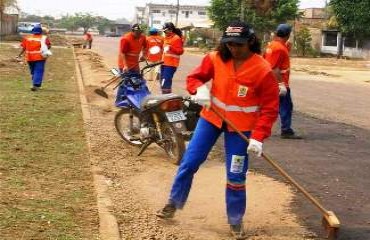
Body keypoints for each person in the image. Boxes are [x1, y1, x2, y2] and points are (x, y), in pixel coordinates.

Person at [156, 21, 279, 239]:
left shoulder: (262, 70)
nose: (233, 48)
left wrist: (258, 137)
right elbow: (194, 78)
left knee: (235, 175)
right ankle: (173, 204)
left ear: (250, 41)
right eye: (229, 43)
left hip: (241, 130)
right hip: (211, 120)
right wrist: (199, 89)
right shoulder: (214, 58)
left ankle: (235, 221)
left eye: (238, 44)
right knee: (189, 162)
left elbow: (270, 109)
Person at [264, 23, 302, 139]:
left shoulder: (273, 45)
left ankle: (256, 127)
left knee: (271, 106)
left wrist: (287, 48)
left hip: (272, 82)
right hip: (279, 83)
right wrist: (281, 84)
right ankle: (286, 130)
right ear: (288, 35)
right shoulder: (279, 48)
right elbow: (274, 67)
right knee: (285, 106)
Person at [116, 24, 146, 106]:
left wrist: (144, 55)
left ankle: (134, 101)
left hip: (135, 64)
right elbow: (123, 53)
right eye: (137, 33)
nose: (139, 35)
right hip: (124, 63)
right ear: (132, 31)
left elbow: (145, 46)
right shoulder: (126, 39)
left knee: (137, 82)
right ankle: (119, 102)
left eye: (140, 32)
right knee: (125, 83)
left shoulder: (142, 37)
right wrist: (125, 66)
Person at [18, 24, 51, 91]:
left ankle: (36, 84)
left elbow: (23, 47)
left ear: (32, 31)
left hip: (29, 57)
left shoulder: (27, 38)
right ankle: (36, 84)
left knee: (33, 71)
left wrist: (19, 54)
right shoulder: (44, 38)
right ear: (41, 31)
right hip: (40, 57)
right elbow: (49, 46)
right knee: (38, 70)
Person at [160, 22, 184, 94]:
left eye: (165, 31)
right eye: (164, 31)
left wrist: (171, 47)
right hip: (164, 63)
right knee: (162, 81)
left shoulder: (176, 38)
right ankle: (166, 97)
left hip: (171, 64)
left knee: (165, 81)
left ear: (170, 30)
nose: (164, 32)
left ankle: (166, 97)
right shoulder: (165, 38)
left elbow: (180, 51)